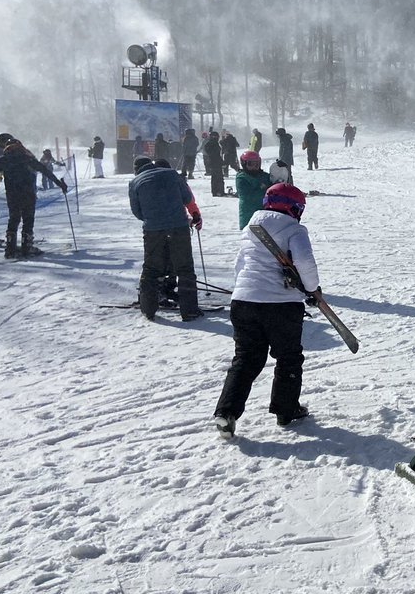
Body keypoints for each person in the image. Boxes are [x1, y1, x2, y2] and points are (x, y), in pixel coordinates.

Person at [213, 183, 319, 437]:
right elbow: (304, 262)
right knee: (288, 357)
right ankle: (286, 410)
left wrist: (245, 290)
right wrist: (312, 288)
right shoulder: (294, 229)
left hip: (244, 301)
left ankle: (226, 412)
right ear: (296, 207)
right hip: (280, 304)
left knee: (246, 358)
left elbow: (239, 264)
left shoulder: (251, 228)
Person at [128, 156, 203, 321]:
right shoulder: (172, 174)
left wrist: (152, 219)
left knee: (151, 269)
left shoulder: (135, 182)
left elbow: (137, 211)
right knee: (184, 268)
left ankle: (148, 309)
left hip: (153, 229)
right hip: (178, 226)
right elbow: (187, 198)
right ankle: (189, 310)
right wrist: (193, 214)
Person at [0, 138, 67, 258]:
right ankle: (27, 246)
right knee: (28, 220)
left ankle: (10, 248)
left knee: (13, 219)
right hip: (28, 193)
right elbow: (45, 171)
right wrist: (60, 184)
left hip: (12, 195)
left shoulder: (3, 160)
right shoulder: (27, 158)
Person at [236, 151, 272, 229]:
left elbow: (276, 186)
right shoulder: (242, 178)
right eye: (251, 164)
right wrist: (267, 191)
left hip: (265, 215)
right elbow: (247, 196)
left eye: (257, 164)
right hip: (249, 216)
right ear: (244, 164)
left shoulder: (264, 176)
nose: (255, 166)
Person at [202, 131, 225, 197]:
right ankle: (219, 191)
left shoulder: (213, 143)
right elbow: (214, 154)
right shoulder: (212, 143)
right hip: (215, 162)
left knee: (216, 177)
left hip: (214, 162)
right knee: (218, 177)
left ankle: (217, 191)